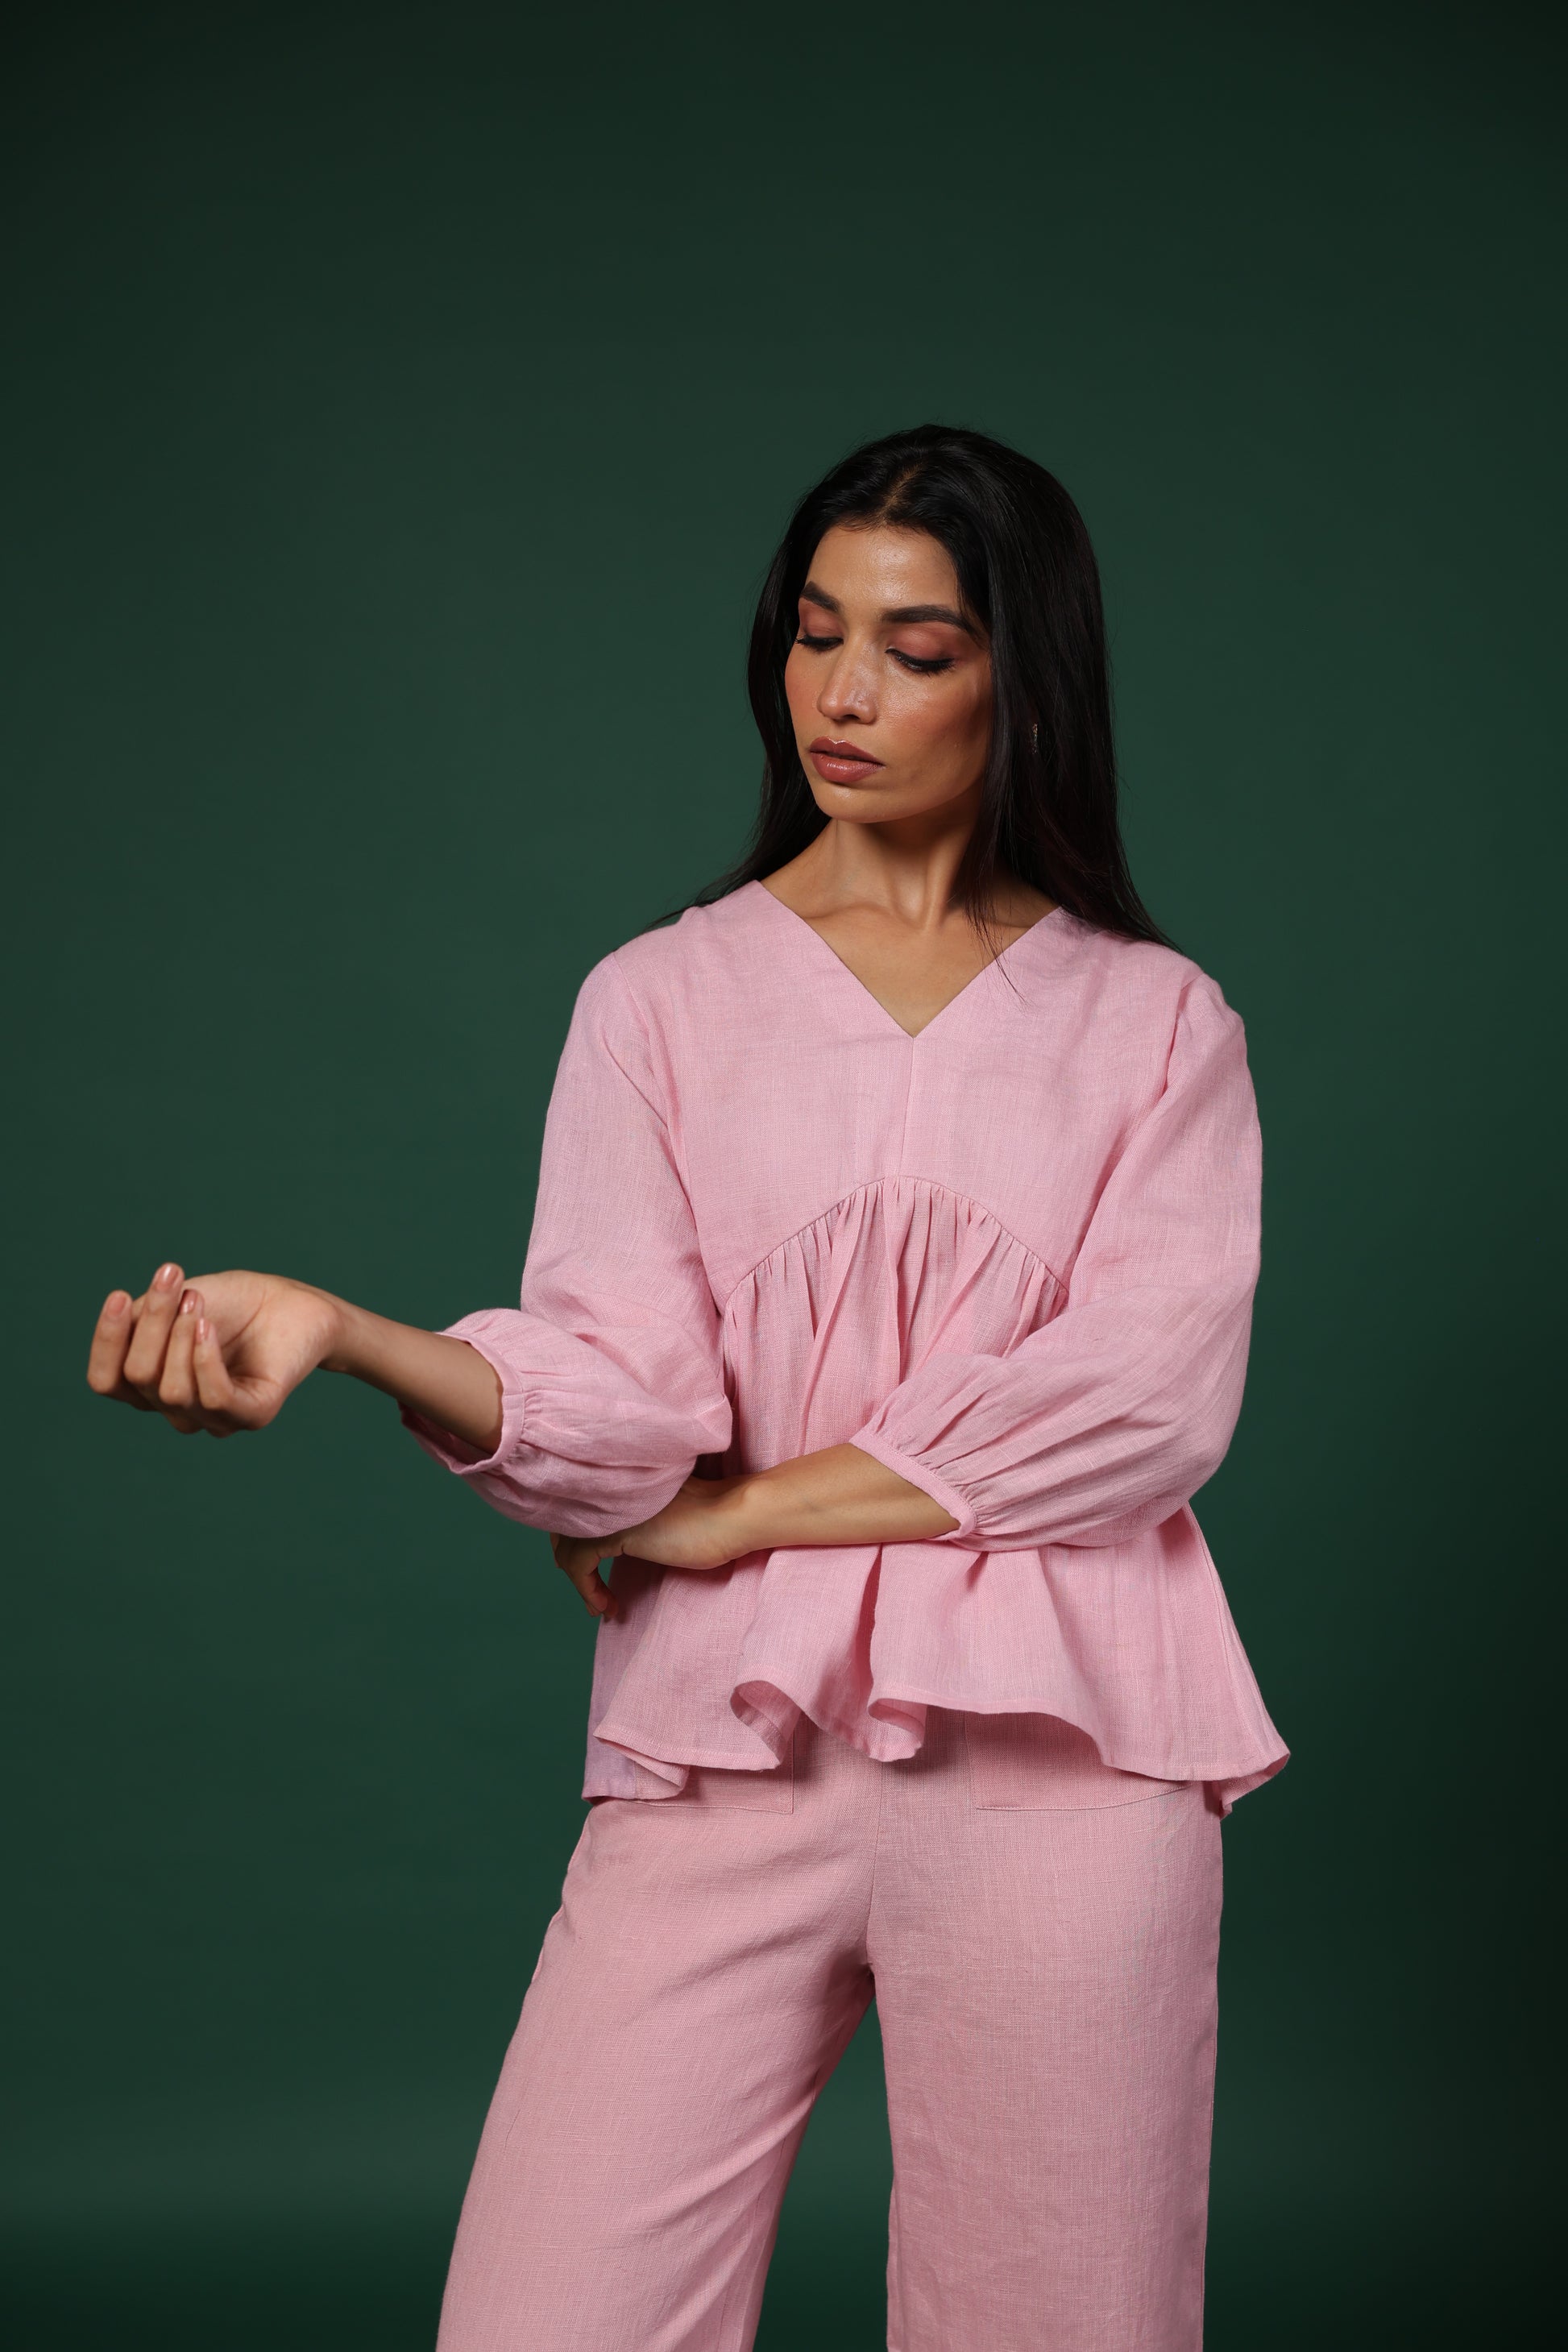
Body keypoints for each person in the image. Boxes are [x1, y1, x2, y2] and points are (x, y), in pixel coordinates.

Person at [86, 423, 1288, 2352]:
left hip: (1067, 1766)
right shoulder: (657, 999)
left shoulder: (1156, 1024)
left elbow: (1144, 1396)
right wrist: (348, 1331)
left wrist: (736, 1516)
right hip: (720, 1747)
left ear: (1025, 680)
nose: (842, 690)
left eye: (914, 646)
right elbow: (622, 1399)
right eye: (815, 632)